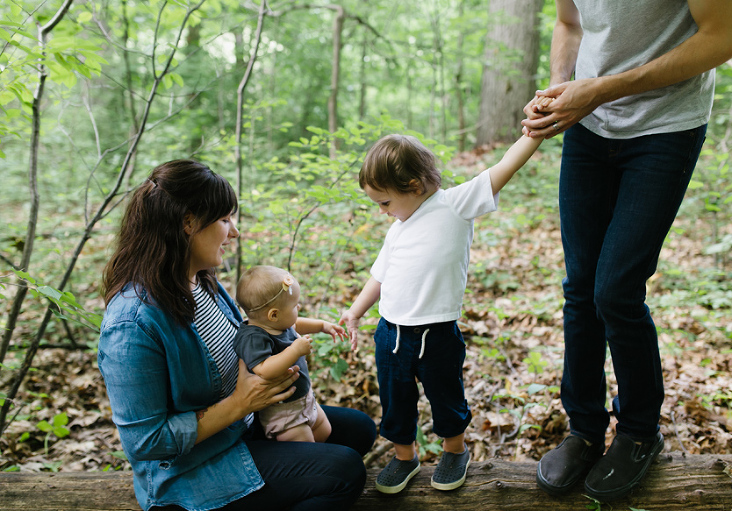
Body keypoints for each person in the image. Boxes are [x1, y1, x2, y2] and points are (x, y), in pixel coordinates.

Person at [520, 0, 732, 502]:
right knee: (580, 287)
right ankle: (584, 430)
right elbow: (569, 22)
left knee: (616, 289)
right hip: (588, 128)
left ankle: (640, 432)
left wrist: (600, 89)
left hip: (666, 126)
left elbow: (722, 38)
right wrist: (560, 86)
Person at [98, 159, 376, 511]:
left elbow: (256, 332)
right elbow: (146, 441)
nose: (236, 232)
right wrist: (240, 404)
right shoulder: (131, 323)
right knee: (344, 472)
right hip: (194, 466)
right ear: (188, 223)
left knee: (360, 430)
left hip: (243, 426)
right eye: (225, 219)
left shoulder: (201, 279)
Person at [339, 128, 544, 494]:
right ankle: (405, 457)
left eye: (384, 203)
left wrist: (536, 132)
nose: (383, 213)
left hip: (437, 335)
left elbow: (505, 166)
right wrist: (355, 312)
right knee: (395, 401)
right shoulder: (398, 230)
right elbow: (379, 276)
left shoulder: (454, 204)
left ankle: (454, 451)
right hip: (391, 334)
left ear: (414, 186)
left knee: (447, 397)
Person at [233, 265, 346, 443]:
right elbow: (264, 369)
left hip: (304, 400)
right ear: (274, 315)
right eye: (295, 305)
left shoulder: (278, 324)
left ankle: (319, 457)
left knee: (324, 430)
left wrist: (322, 326)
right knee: (306, 449)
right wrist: (294, 350)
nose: (299, 306)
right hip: (284, 414)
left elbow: (297, 324)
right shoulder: (253, 337)